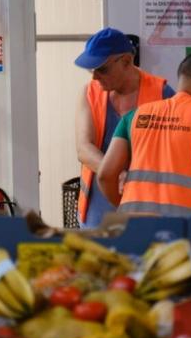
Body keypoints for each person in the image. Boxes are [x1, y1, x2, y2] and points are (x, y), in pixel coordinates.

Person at [97, 52, 191, 223]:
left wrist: (124, 207)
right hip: (187, 234)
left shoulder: (134, 116)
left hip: (132, 230)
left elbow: (105, 175)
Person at [74, 27, 174, 228]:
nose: (95, 78)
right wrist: (117, 175)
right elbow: (84, 148)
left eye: (102, 69)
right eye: (91, 70)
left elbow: (175, 157)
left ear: (127, 61)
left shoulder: (163, 95)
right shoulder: (90, 93)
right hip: (97, 213)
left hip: (146, 210)